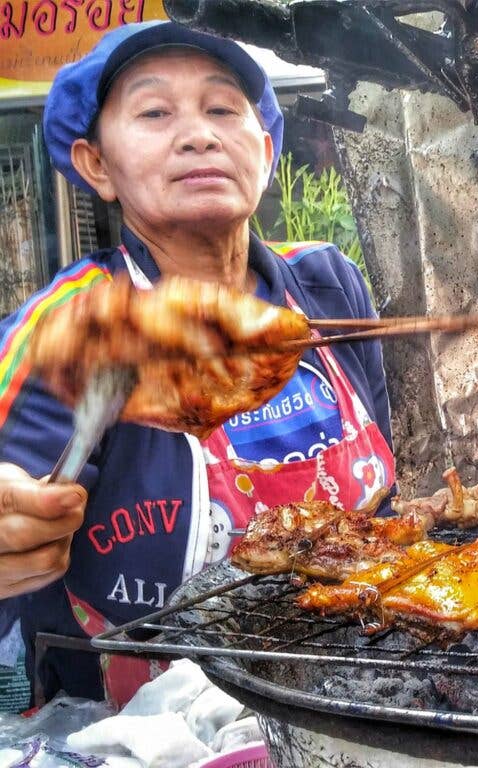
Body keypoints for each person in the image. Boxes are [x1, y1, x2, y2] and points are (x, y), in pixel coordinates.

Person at [0, 21, 395, 708]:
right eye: (154, 112)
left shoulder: (328, 287)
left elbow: (380, 507)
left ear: (266, 150)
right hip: (142, 729)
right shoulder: (73, 327)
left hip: (350, 687)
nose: (198, 135)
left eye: (222, 109)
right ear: (96, 164)